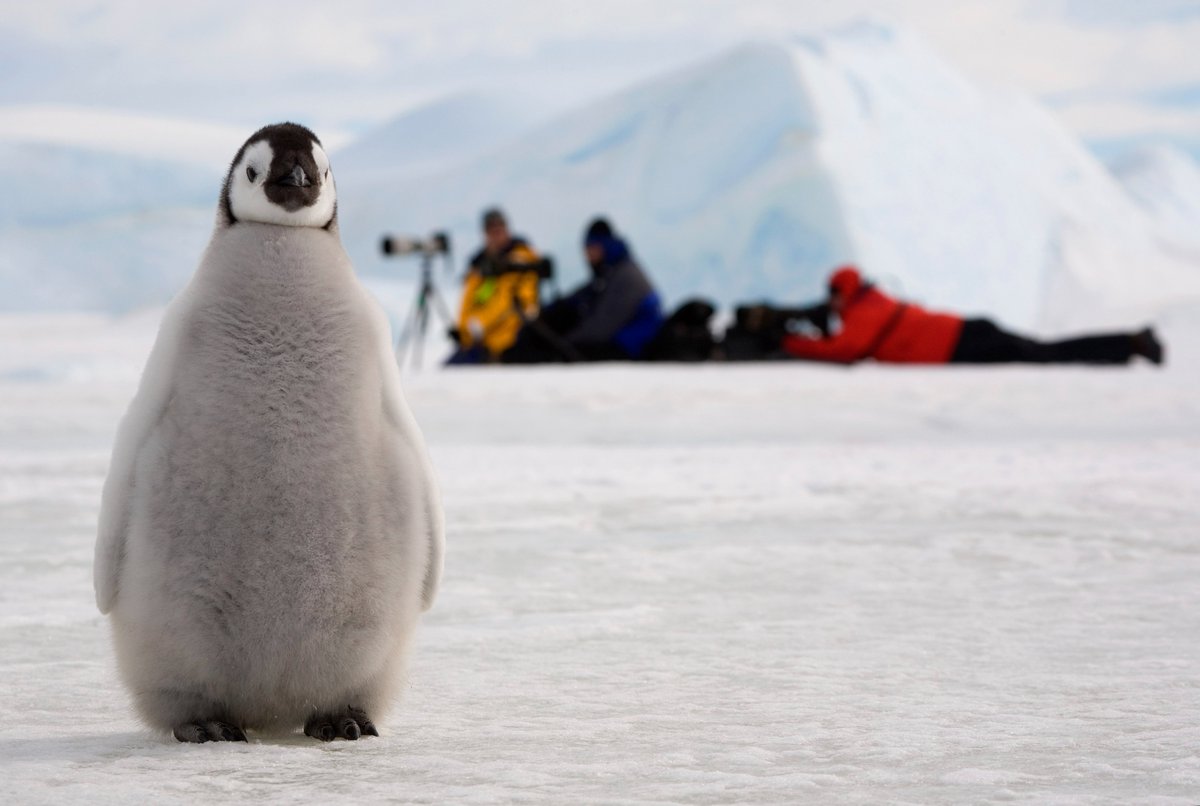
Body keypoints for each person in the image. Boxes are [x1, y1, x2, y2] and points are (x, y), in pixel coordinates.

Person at [777, 265, 1164, 366]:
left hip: (961, 344)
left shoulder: (864, 310)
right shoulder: (871, 301)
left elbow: (847, 348)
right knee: (1043, 352)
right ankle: (1127, 345)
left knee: (1045, 355)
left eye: (832, 296)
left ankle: (1129, 343)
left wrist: (790, 342)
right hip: (965, 334)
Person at [502, 217, 664, 363]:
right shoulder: (610, 273)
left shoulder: (625, 277)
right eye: (586, 250)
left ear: (605, 246)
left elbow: (602, 326)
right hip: (623, 342)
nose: (588, 256)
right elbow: (578, 299)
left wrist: (563, 344)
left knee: (568, 352)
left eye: (592, 249)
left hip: (634, 347)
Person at [446, 207, 542, 364]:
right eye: (492, 232)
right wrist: (464, 332)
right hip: (477, 344)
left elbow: (513, 304)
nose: (496, 236)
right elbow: (469, 304)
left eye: (500, 230)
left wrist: (477, 326)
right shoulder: (481, 268)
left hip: (507, 344)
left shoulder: (519, 262)